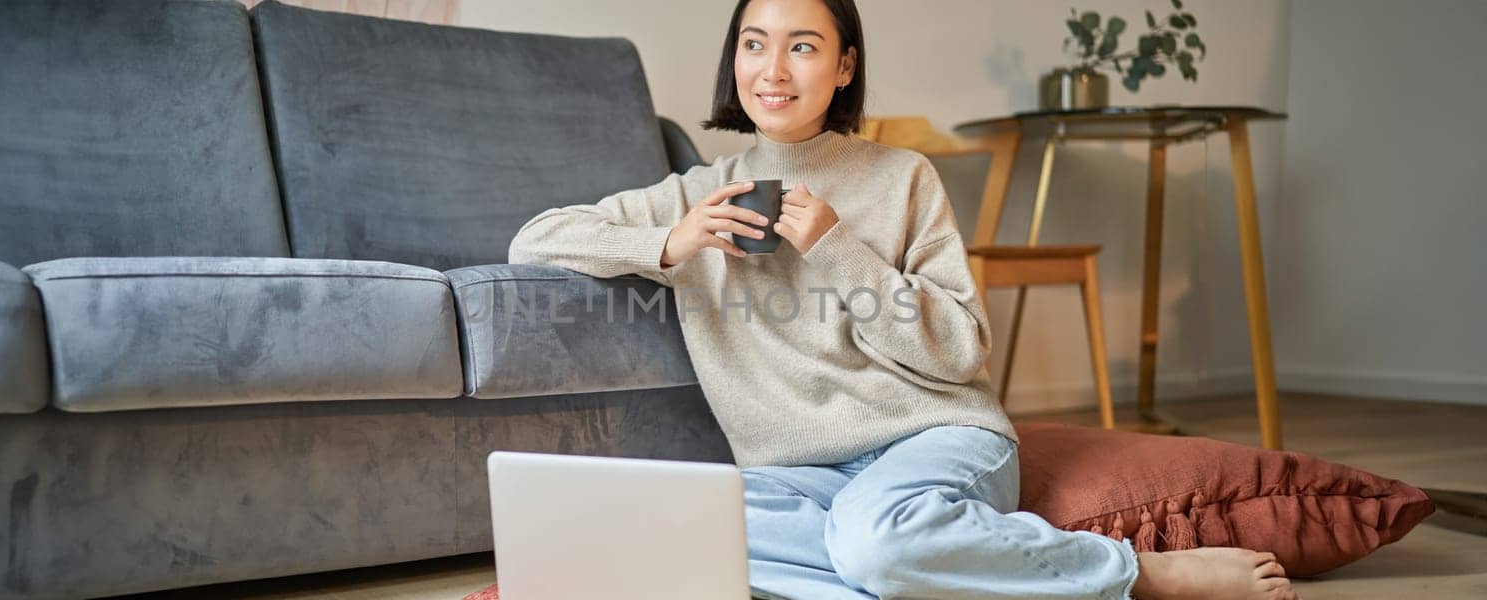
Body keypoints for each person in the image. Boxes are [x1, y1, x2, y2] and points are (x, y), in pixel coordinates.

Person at [508, 0, 1300, 598]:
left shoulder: (901, 178)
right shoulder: (697, 195)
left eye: (803, 47)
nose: (773, 70)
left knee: (876, 539)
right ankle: (934, 571)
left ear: (844, 67)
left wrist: (836, 247)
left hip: (932, 437)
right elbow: (534, 239)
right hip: (798, 478)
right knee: (666, 526)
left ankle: (1134, 576)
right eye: (755, 45)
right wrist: (668, 243)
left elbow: (959, 350)